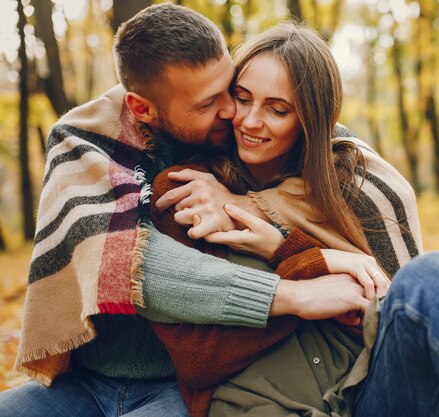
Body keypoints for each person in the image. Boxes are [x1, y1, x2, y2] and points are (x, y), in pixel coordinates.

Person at [0, 5, 406, 417]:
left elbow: (335, 148)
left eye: (230, 88)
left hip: (185, 389)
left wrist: (258, 212)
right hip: (87, 379)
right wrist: (292, 295)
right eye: (212, 102)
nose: (234, 112)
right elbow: (129, 267)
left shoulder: (243, 131)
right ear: (142, 109)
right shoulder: (89, 142)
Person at [147, 24, 439, 417]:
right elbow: (197, 359)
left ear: (310, 121)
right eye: (243, 97)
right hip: (268, 407)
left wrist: (281, 248)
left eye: (278, 109)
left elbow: (375, 315)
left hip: (369, 395)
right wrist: (302, 298)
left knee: (435, 275)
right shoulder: (189, 191)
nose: (251, 121)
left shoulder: (347, 187)